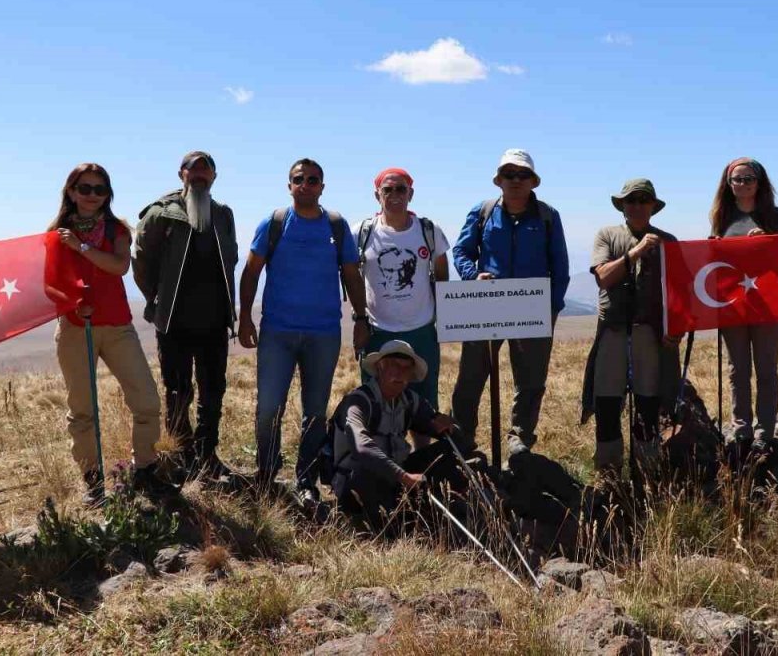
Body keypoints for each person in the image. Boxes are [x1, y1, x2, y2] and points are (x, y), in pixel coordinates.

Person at [237, 158, 368, 505]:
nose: (306, 185)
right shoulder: (276, 222)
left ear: (322, 187)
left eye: (313, 180)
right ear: (289, 184)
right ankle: (266, 474)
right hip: (277, 331)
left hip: (323, 334)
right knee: (269, 408)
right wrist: (245, 319)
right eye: (299, 179)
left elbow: (352, 275)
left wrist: (361, 318)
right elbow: (251, 272)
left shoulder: (336, 227)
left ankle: (305, 480)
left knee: (314, 411)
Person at [49, 162, 177, 505]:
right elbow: (50, 284)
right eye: (85, 188)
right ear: (71, 191)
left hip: (118, 326)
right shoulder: (55, 234)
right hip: (77, 329)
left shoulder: (117, 230)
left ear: (108, 194)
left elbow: (119, 266)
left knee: (147, 401)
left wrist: (82, 248)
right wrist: (74, 305)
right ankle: (93, 481)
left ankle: (145, 469)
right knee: (82, 409)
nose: (92, 195)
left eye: (99, 189)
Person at [450, 149, 569, 459]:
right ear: (498, 180)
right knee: (470, 377)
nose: (516, 181)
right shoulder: (483, 212)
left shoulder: (547, 216)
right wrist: (472, 275)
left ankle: (519, 440)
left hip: (532, 307)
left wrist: (551, 309)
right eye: (509, 175)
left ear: (533, 182)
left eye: (522, 175)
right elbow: (461, 252)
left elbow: (560, 267)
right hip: (484, 305)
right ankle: (463, 439)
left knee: (531, 380)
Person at [134, 151, 239, 480]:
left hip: (213, 322)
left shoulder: (223, 214)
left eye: (205, 171)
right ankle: (181, 455)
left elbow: (231, 260)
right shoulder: (161, 213)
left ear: (214, 177)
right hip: (174, 322)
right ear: (181, 174)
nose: (199, 176)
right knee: (177, 390)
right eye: (193, 171)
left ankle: (207, 456)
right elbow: (141, 260)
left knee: (213, 390)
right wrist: (155, 298)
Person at [581, 179, 680, 478]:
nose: (636, 205)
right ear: (622, 205)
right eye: (631, 200)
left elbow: (679, 291)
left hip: (650, 333)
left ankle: (648, 470)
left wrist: (677, 328)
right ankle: (608, 473)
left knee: (649, 402)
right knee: (608, 401)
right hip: (612, 330)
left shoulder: (668, 241)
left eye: (642, 200)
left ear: (653, 206)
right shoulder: (607, 236)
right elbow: (603, 277)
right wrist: (636, 252)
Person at [354, 168, 450, 442]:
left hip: (420, 330)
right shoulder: (362, 233)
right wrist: (358, 320)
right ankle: (381, 464)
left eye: (401, 189)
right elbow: (351, 276)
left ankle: (425, 462)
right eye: (388, 190)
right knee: (376, 401)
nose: (394, 195)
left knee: (425, 401)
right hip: (377, 331)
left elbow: (442, 277)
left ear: (411, 193)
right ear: (377, 195)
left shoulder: (429, 232)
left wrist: (443, 322)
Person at [329, 340, 460, 530]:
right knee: (364, 475)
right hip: (358, 482)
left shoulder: (411, 401)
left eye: (406, 369)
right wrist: (405, 477)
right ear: (380, 367)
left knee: (451, 450)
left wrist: (448, 426)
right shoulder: (358, 402)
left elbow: (438, 425)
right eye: (394, 365)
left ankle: (447, 508)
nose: (400, 373)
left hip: (398, 476)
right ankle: (388, 523)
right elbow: (362, 448)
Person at [708, 158, 778, 453]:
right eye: (737, 180)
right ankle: (741, 429)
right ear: (728, 184)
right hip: (733, 304)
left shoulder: (774, 216)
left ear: (759, 182)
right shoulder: (721, 216)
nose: (742, 184)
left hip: (767, 304)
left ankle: (765, 430)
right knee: (736, 369)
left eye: (748, 179)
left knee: (766, 369)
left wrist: (768, 241)